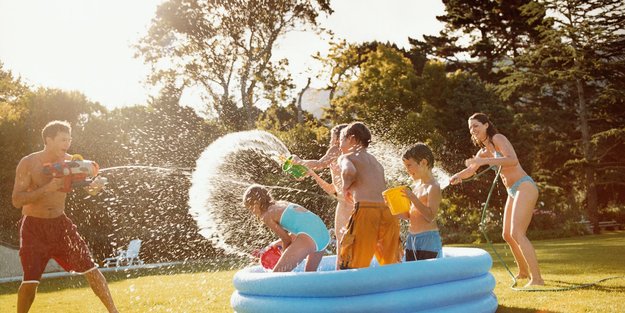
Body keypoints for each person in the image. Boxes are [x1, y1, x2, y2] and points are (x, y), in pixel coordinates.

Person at [11, 120, 118, 313]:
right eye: (62, 139)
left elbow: (87, 185)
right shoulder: (29, 163)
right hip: (33, 228)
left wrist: (95, 187)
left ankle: (114, 312)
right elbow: (17, 200)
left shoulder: (72, 163)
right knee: (30, 281)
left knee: (91, 269)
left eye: (69, 139)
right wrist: (47, 188)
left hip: (61, 225)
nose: (67, 143)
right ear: (48, 140)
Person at [449, 113, 544, 286]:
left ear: (486, 125)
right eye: (470, 127)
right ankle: (523, 272)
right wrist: (457, 176)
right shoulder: (483, 152)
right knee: (507, 234)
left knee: (517, 233)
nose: (473, 130)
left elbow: (512, 160)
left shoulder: (498, 138)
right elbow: (471, 169)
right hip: (512, 191)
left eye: (476, 125)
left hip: (524, 186)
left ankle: (537, 279)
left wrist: (484, 161)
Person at [337, 122, 401, 269]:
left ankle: (353, 290)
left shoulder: (346, 157)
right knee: (391, 264)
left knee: (353, 263)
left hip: (366, 211)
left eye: (341, 140)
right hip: (388, 211)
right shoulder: (376, 162)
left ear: (352, 139)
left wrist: (345, 188)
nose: (340, 146)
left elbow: (349, 172)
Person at [292, 123, 350, 267]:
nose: (330, 142)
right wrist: (311, 173)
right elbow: (332, 189)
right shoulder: (350, 154)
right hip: (349, 201)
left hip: (345, 204)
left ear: (337, 138)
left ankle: (340, 277)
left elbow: (320, 163)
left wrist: (301, 162)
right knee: (349, 243)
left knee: (342, 243)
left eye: (332, 138)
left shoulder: (337, 149)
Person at [242, 184, 330, 272]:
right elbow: (298, 232)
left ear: (256, 204)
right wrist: (269, 247)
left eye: (250, 208)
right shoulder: (281, 204)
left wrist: (283, 255)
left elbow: (286, 239)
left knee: (277, 276)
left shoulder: (267, 215)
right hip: (323, 233)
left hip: (310, 236)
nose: (252, 212)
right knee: (310, 275)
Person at [398, 143, 443, 261]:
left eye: (409, 165)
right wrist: (392, 209)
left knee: (429, 276)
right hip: (412, 238)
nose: (407, 170)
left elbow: (430, 216)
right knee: (410, 275)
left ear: (423, 162)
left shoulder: (433, 187)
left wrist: (412, 198)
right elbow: (410, 215)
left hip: (428, 239)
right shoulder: (417, 186)